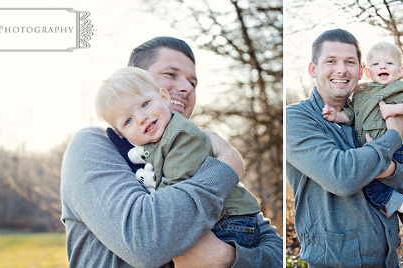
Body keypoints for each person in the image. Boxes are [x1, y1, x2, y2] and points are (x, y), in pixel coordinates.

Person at [61, 36, 283, 267]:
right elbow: (145, 243)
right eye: (170, 74)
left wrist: (226, 258)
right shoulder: (93, 146)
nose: (186, 88)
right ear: (132, 78)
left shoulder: (201, 151)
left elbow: (273, 248)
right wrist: (227, 167)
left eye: (192, 83)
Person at [286, 29, 403, 267]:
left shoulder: (370, 115)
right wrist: (392, 137)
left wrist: (387, 169)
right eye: (331, 61)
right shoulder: (295, 119)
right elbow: (342, 176)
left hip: (389, 260)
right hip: (336, 262)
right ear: (312, 69)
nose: (341, 70)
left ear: (361, 72)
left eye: (350, 62)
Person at [95, 67, 264, 248]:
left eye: (144, 104)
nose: (141, 118)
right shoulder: (151, 144)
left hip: (231, 221)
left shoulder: (182, 136)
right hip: (212, 219)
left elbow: (175, 194)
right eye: (128, 120)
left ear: (164, 97)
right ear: (121, 134)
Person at [321, 41, 403, 252]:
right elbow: (352, 116)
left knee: (372, 189)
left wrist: (394, 109)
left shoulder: (398, 89)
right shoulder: (361, 94)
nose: (382, 67)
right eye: (377, 63)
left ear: (399, 71)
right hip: (369, 150)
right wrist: (336, 116)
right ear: (366, 71)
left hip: (390, 149)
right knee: (377, 189)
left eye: (389, 63)